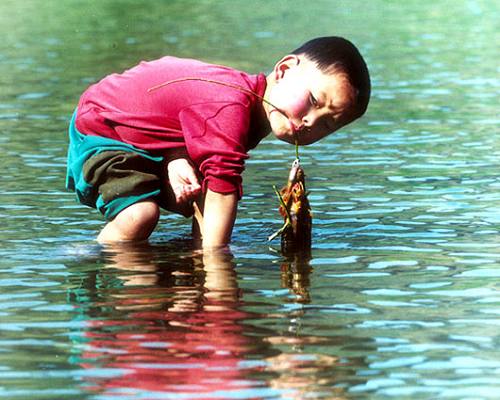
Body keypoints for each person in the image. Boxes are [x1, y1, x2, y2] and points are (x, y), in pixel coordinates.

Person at [66, 36, 370, 248]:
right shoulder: (231, 105)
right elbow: (223, 187)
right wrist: (217, 269)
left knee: (201, 190)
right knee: (139, 217)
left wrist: (176, 156)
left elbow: (187, 131)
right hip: (105, 126)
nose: (310, 122)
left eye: (328, 124)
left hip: (150, 136)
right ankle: (94, 258)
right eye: (314, 100)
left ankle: (193, 259)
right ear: (284, 70)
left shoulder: (252, 109)